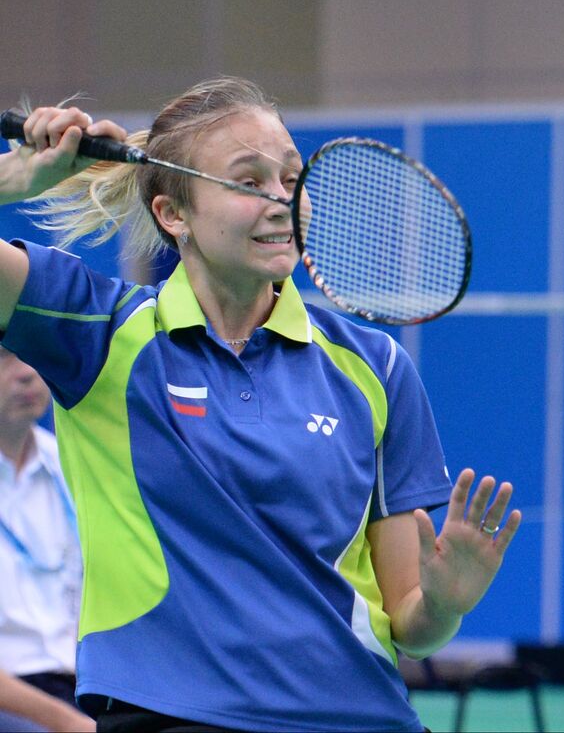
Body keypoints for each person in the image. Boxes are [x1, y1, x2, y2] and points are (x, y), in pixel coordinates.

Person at [0, 79, 523, 731]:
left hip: (358, 717)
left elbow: (411, 626)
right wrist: (11, 183)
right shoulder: (98, 332)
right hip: (170, 715)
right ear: (174, 214)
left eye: (292, 177)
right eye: (249, 182)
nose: (282, 201)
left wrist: (445, 604)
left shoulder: (375, 369)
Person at [0, 347, 93, 732]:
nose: (26, 374)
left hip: (83, 688)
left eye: (31, 354)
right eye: (5, 358)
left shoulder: (72, 464)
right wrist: (68, 724)